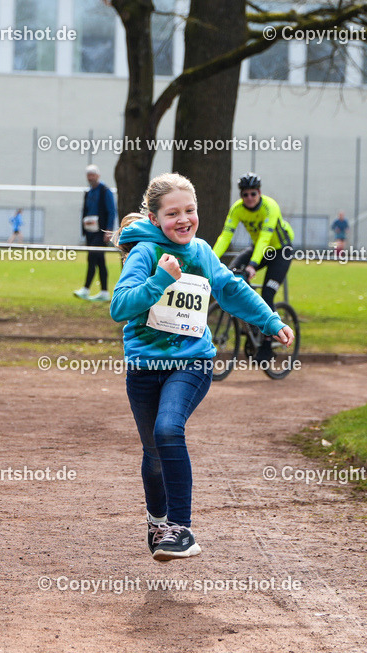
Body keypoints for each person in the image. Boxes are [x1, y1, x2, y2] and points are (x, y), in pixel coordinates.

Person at [110, 173, 293, 562]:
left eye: (190, 211)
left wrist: (270, 321)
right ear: (156, 218)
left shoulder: (202, 252)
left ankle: (180, 528)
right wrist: (161, 279)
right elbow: (120, 306)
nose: (184, 220)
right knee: (153, 452)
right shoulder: (144, 253)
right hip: (144, 365)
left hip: (192, 362)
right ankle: (158, 523)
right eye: (173, 213)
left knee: (168, 429)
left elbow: (232, 290)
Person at [212, 172, 295, 361]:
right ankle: (251, 320)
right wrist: (210, 259)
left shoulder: (269, 206)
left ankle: (267, 343)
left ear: (259, 193)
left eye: (253, 194)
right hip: (258, 248)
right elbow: (226, 236)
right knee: (229, 277)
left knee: (267, 293)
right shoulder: (237, 209)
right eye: (245, 194)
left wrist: (252, 266)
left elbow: (266, 238)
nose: (249, 198)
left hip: (280, 251)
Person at [73, 164, 116, 302]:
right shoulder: (88, 192)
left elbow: (111, 211)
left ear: (98, 175)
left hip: (100, 231)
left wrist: (108, 230)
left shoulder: (105, 191)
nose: (90, 178)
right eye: (88, 175)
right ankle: (104, 292)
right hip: (90, 232)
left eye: (92, 175)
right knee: (100, 261)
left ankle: (86, 289)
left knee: (92, 258)